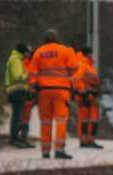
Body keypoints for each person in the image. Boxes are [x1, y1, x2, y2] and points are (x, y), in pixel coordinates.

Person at [25, 29, 81, 160]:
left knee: (45, 121)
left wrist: (32, 88)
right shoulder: (64, 50)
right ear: (57, 38)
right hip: (61, 90)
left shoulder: (39, 52)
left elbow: (32, 74)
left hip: (43, 91)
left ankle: (45, 150)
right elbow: (75, 68)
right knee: (61, 119)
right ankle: (59, 149)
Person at [4, 41, 32, 149]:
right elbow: (18, 76)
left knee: (17, 116)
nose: (27, 54)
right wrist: (28, 76)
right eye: (26, 52)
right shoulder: (16, 60)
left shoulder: (15, 59)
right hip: (17, 91)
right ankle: (14, 138)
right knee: (17, 117)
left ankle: (16, 138)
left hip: (15, 91)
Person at [75, 45, 102, 149]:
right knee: (85, 120)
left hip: (92, 97)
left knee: (93, 120)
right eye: (90, 53)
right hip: (86, 97)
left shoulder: (89, 66)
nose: (92, 55)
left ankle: (90, 140)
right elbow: (77, 80)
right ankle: (84, 140)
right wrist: (83, 92)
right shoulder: (82, 65)